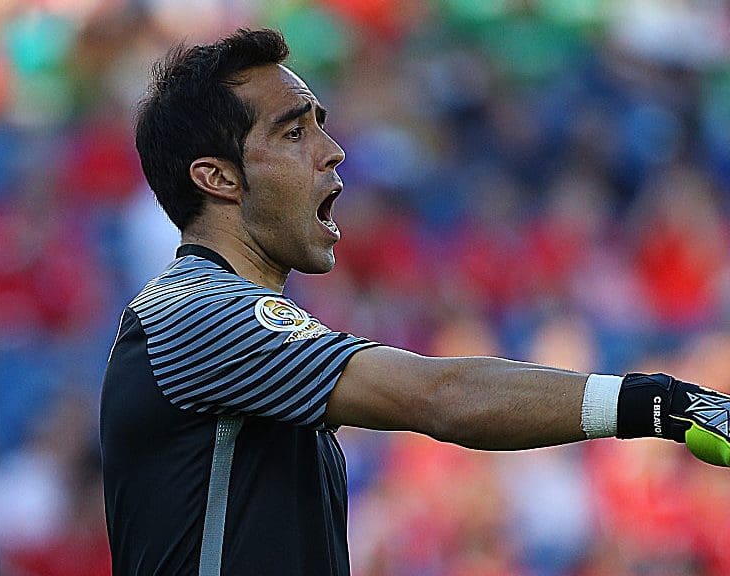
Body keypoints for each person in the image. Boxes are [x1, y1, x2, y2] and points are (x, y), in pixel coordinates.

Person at [99, 28, 730, 576]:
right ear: (218, 178)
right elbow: (442, 397)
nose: (332, 150)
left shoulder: (227, 327)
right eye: (293, 132)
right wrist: (661, 403)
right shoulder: (199, 315)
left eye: (320, 123)